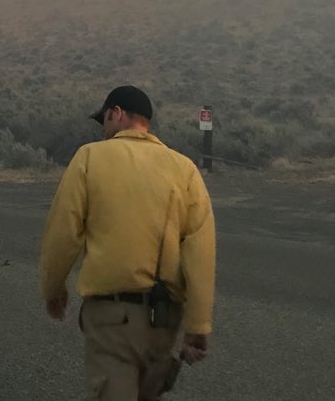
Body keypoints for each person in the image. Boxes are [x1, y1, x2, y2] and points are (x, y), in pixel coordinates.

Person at [40, 85, 216, 401]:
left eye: (105, 120)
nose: (104, 130)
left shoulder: (90, 157)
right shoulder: (185, 169)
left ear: (117, 113)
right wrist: (198, 325)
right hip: (165, 322)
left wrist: (53, 290)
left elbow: (63, 233)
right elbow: (200, 252)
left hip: (111, 319)